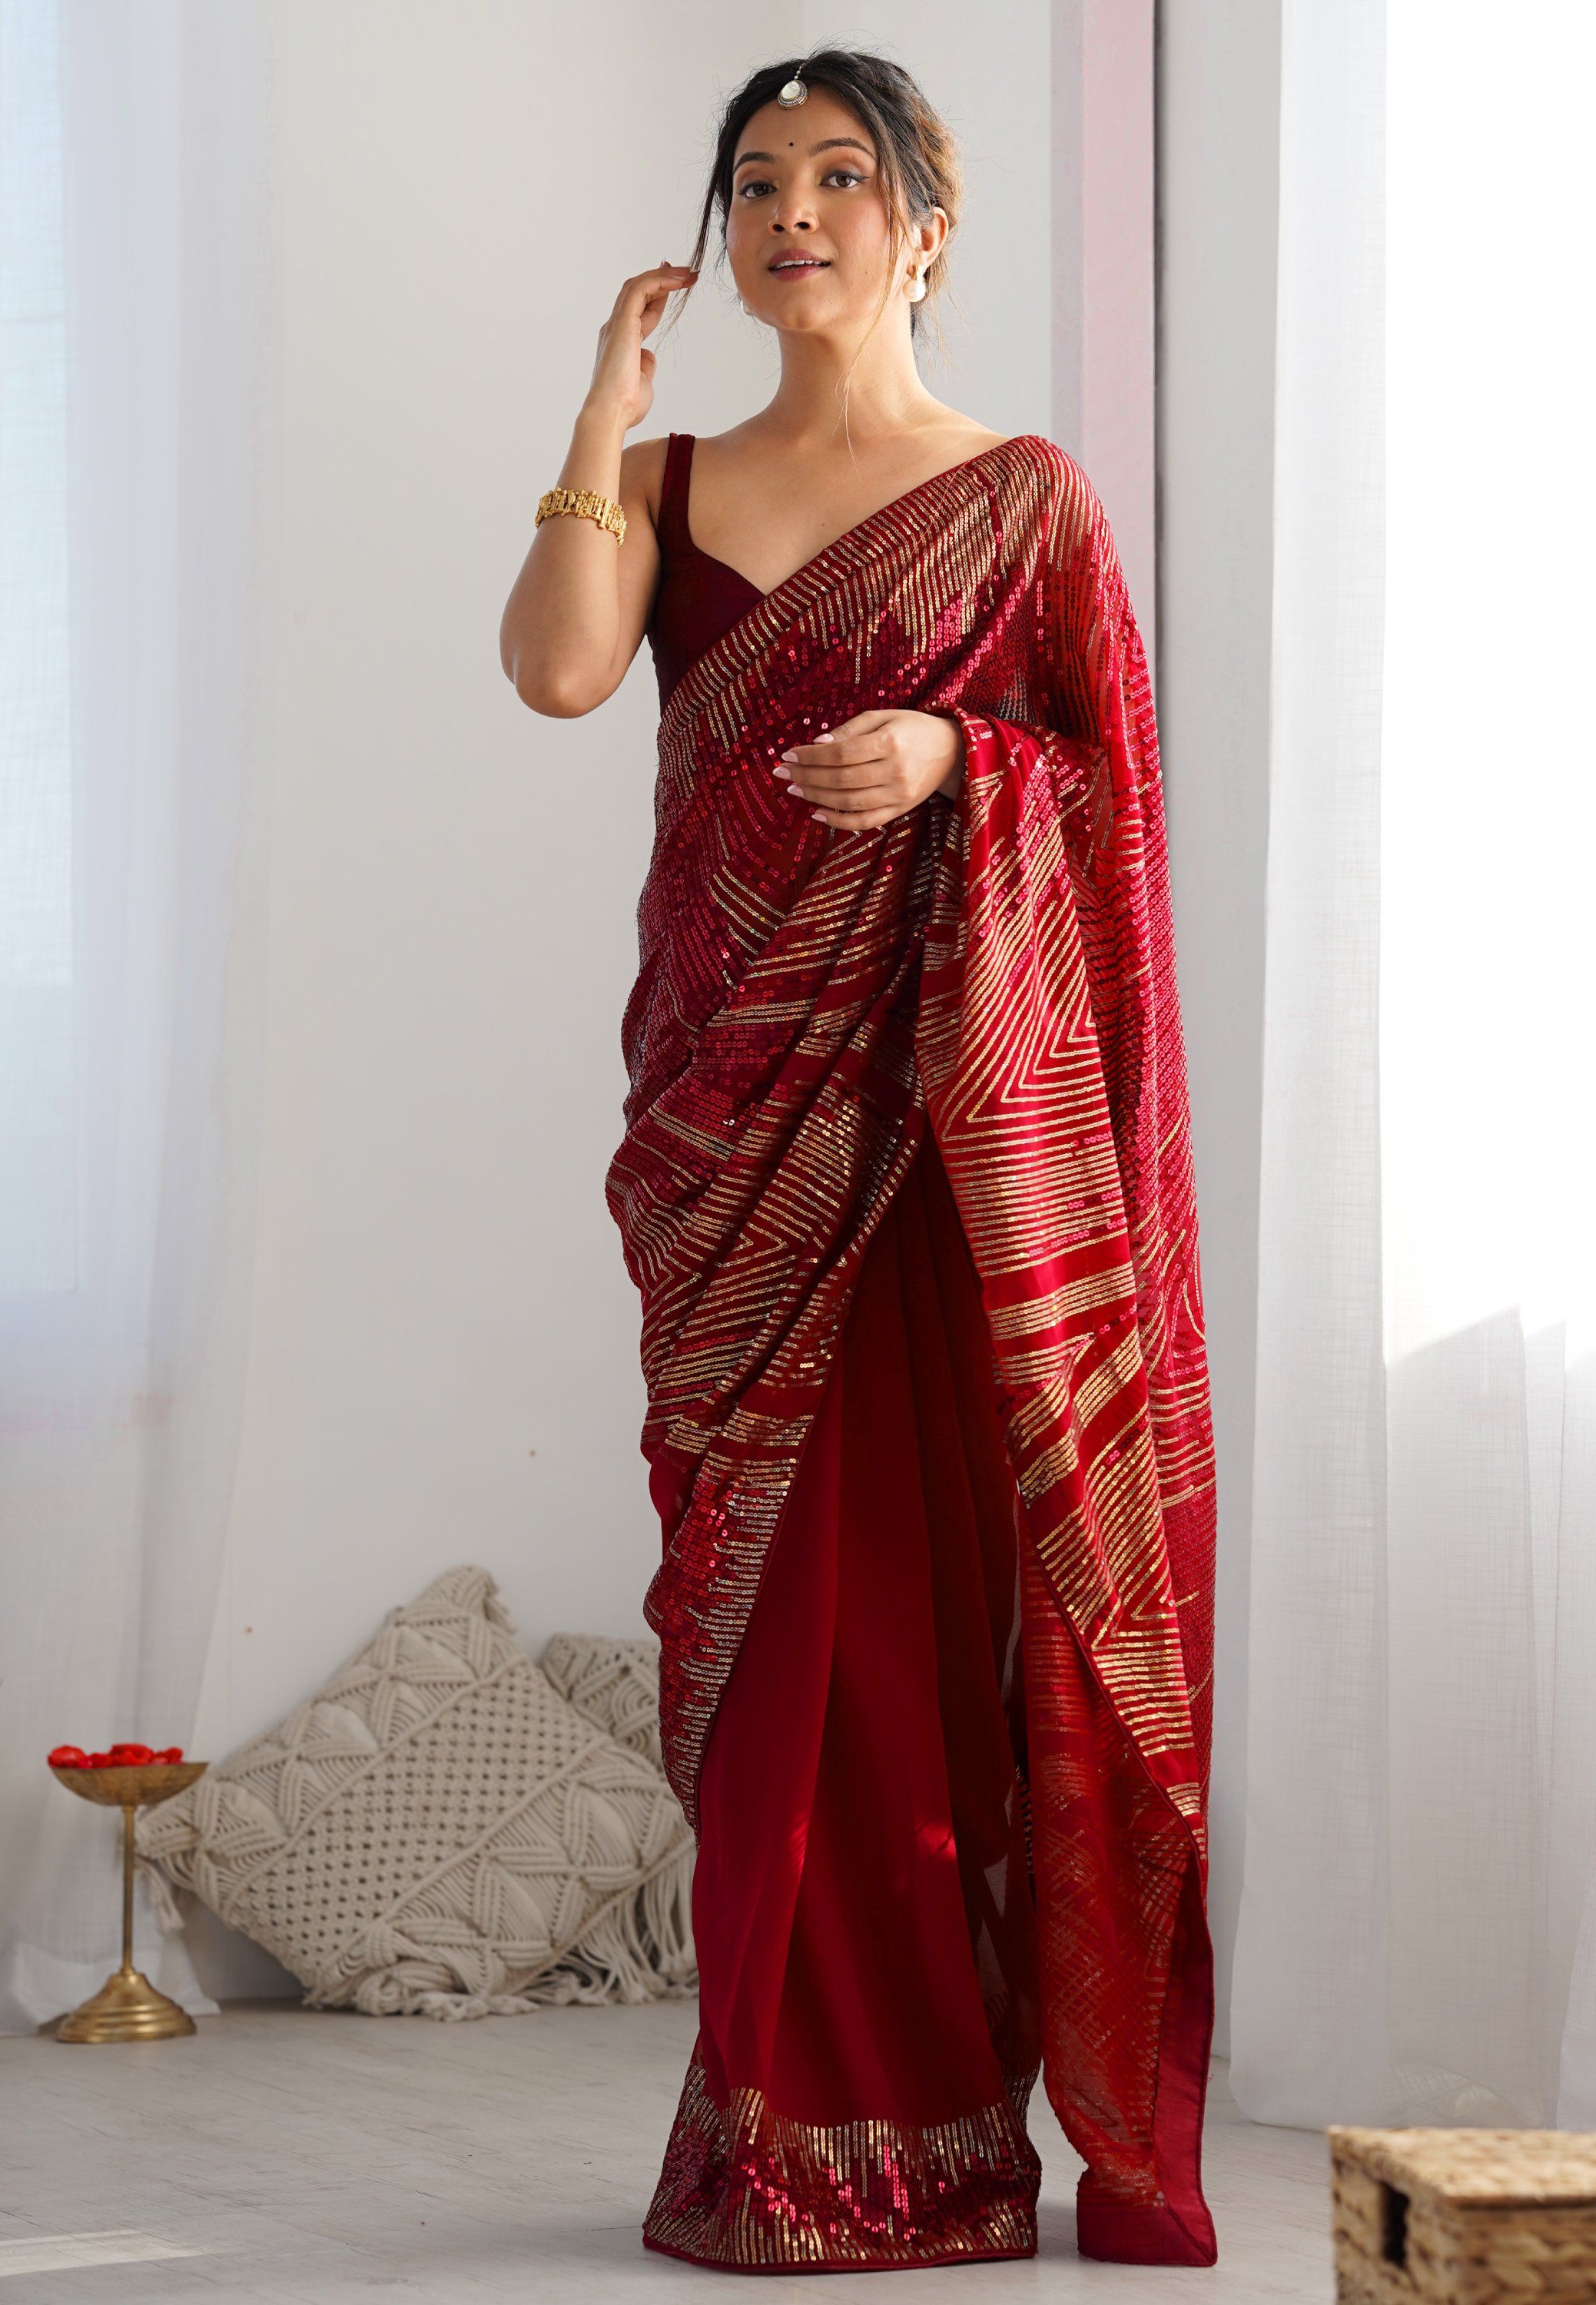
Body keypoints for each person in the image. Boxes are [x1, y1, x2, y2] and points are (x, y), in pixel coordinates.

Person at [499, 46, 1218, 2277]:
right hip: (728, 1126)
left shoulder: (1022, 501)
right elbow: (556, 676)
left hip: (932, 1145)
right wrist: (601, 409)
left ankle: (922, 2140)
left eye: (835, 175)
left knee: (896, 1631)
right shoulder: (670, 471)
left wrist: (960, 756)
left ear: (924, 224)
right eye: (751, 182)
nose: (788, 212)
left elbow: (1114, 809)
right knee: (753, 1635)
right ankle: (771, 2123)